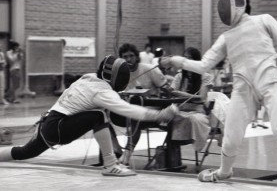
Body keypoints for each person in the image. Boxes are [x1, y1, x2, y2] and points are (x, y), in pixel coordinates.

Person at [160, 0, 277, 190]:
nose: (223, 12)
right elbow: (203, 65)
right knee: (231, 139)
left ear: (239, 6)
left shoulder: (264, 20)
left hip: (269, 82)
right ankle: (224, 172)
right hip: (242, 89)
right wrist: (174, 60)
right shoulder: (227, 37)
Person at [0, 55, 178, 176]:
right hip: (57, 126)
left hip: (51, 121)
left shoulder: (88, 78)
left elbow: (70, 99)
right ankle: (110, 165)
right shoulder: (102, 91)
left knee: (24, 152)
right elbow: (127, 110)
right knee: (98, 116)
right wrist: (159, 115)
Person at [170, 47, 214, 151]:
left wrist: (181, 94)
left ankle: (175, 149)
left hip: (197, 110)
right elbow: (171, 93)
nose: (186, 61)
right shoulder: (179, 77)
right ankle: (171, 156)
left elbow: (201, 98)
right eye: (184, 58)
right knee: (167, 118)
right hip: (180, 110)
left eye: (189, 58)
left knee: (196, 120)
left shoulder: (205, 77)